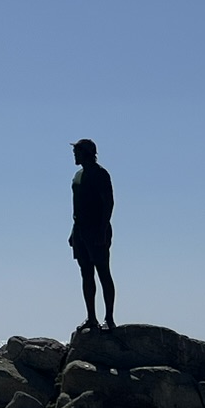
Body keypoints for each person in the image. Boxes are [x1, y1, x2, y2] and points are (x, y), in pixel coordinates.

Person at [70, 138, 115, 329]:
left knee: (103, 272)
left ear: (87, 153)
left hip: (97, 231)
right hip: (80, 230)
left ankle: (109, 319)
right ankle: (91, 317)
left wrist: (102, 230)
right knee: (86, 274)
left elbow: (109, 203)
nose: (74, 155)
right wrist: (74, 232)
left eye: (77, 152)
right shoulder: (78, 176)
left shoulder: (100, 174)